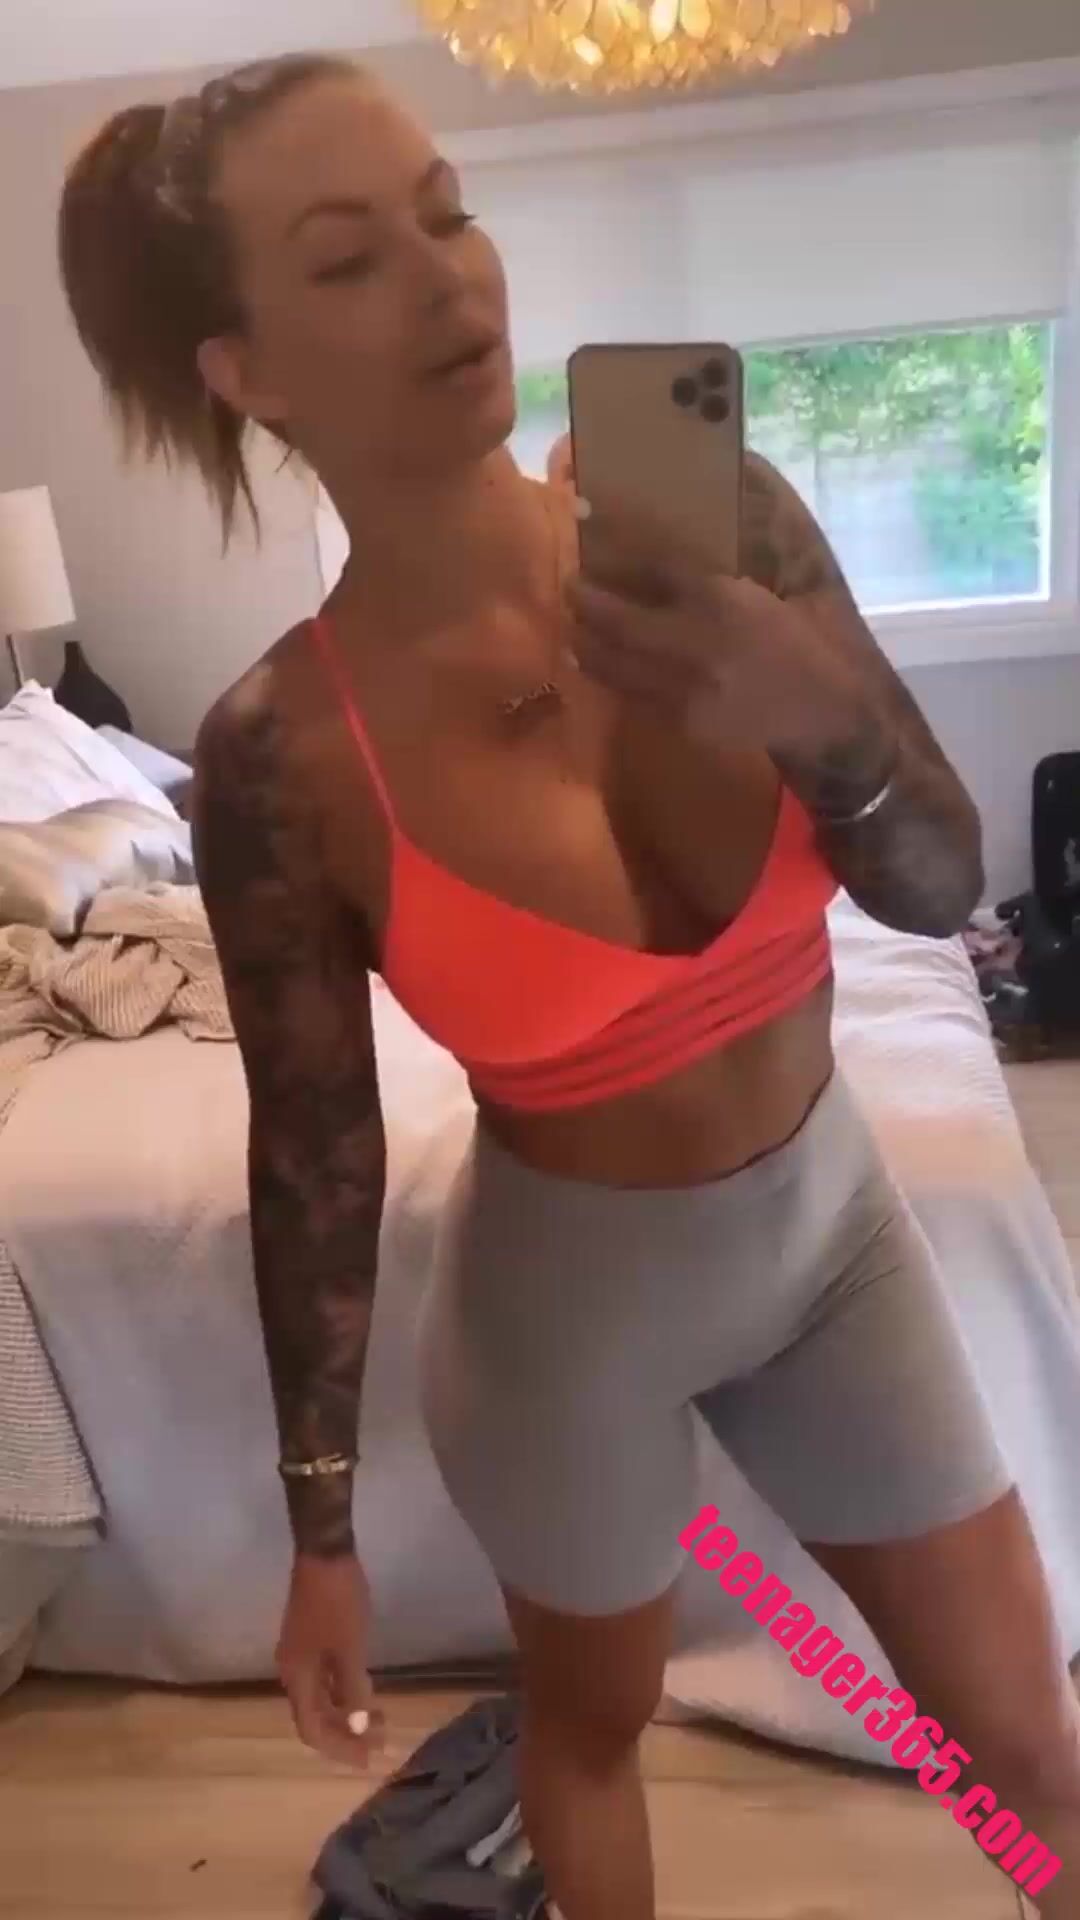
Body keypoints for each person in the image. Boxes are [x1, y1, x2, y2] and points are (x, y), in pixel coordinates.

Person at [58, 53, 1079, 1919]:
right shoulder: (283, 750)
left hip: (838, 1243)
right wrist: (319, 1537)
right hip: (567, 1325)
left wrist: (823, 713)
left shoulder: (722, 517)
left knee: (1031, 1755)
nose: (449, 279)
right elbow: (315, 1155)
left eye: (450, 213)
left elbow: (936, 887)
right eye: (351, 258)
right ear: (250, 371)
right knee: (591, 1746)